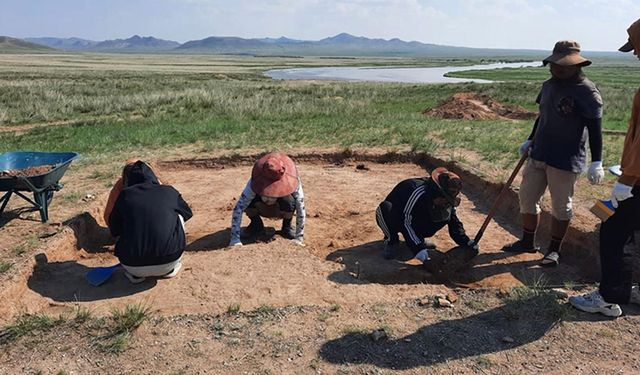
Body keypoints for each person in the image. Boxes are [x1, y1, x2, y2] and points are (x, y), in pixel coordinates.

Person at [503, 40, 604, 266]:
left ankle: (554, 250)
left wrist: (597, 161)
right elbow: (542, 115)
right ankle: (527, 242)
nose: (557, 68)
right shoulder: (548, 85)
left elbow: (595, 130)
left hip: (565, 159)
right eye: (554, 64)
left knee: (561, 206)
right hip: (539, 152)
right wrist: (530, 139)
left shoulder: (587, 92)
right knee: (527, 198)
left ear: (576, 65)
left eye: (563, 65)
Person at [569, 19, 640, 317]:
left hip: (638, 180)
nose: (635, 54)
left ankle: (609, 298)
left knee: (612, 228)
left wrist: (628, 179)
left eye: (637, 47)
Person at [106, 160, 193, 283]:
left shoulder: (125, 195)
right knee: (178, 215)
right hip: (169, 260)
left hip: (131, 265)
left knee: (124, 220)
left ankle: (136, 275)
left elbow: (114, 229)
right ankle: (169, 270)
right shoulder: (169, 191)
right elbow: (187, 213)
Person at [375, 167, 477, 269]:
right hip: (397, 216)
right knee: (385, 209)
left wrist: (466, 242)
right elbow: (405, 222)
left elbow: (454, 221)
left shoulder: (445, 200)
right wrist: (419, 250)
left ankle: (418, 239)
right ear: (436, 192)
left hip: (415, 217)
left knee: (444, 216)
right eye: (443, 198)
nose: (445, 202)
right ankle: (392, 241)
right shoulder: (417, 192)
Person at [228, 152, 305, 247]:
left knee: (289, 201)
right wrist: (235, 239)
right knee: (248, 201)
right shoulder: (254, 182)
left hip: (280, 208)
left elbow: (300, 206)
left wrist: (299, 237)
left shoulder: (293, 181)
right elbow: (239, 207)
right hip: (261, 206)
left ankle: (286, 226)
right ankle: (256, 225)